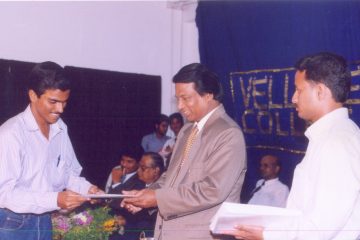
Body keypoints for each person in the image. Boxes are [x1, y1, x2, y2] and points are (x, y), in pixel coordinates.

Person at [223, 52, 360, 240]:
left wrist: (267, 235)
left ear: (320, 91)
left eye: (299, 90)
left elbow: (321, 227)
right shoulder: (331, 136)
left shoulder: (336, 142)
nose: (294, 98)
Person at [122, 63, 247, 240]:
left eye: (185, 98)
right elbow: (171, 176)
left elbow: (212, 190)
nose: (179, 106)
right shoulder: (187, 131)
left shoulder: (228, 134)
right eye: (177, 99)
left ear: (208, 95)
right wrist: (146, 195)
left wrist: (157, 198)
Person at [0, 61, 101, 240]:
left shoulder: (60, 128)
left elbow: (68, 174)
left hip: (45, 220)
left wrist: (88, 189)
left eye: (64, 102)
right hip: (12, 224)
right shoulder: (10, 134)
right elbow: (5, 194)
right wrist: (55, 200)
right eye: (53, 101)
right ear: (32, 95)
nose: (60, 109)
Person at [108, 146, 145, 240]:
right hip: (110, 220)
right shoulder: (117, 171)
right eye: (122, 160)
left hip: (128, 227)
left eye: (129, 162)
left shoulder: (141, 179)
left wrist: (116, 182)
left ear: (139, 163)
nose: (124, 164)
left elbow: (121, 203)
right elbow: (109, 197)